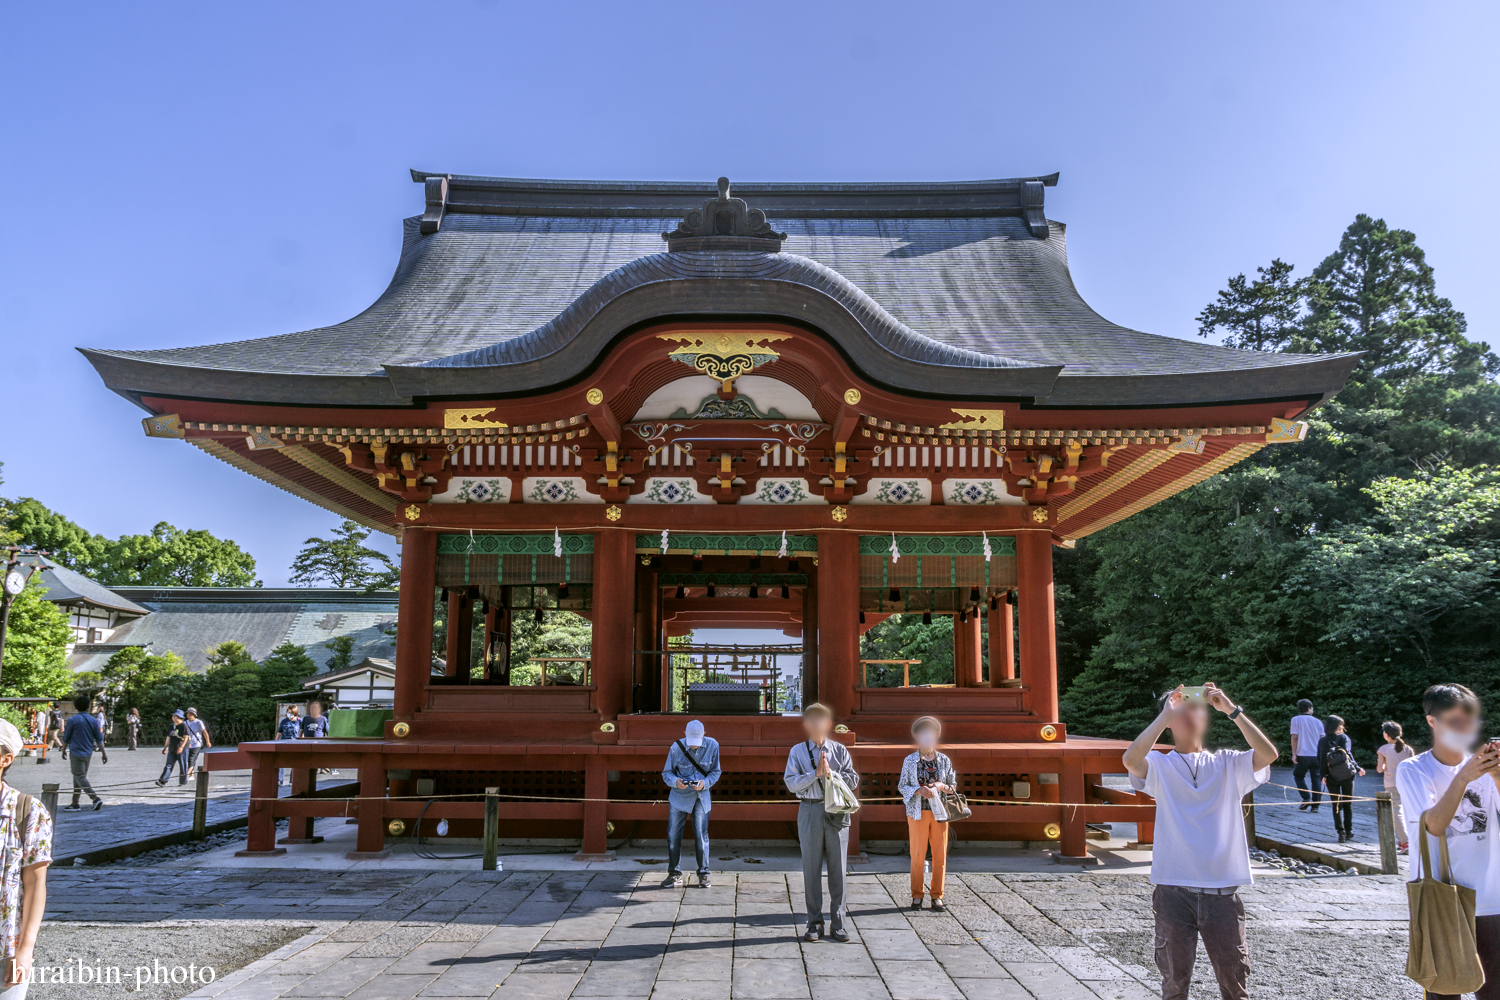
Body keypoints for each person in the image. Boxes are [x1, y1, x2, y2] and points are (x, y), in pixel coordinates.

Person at [1123, 682, 1276, 1000]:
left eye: (1197, 707)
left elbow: (1268, 754)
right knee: (1175, 986)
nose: (1189, 714)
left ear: (1207, 718)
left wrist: (1232, 710)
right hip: (1173, 890)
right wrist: (1163, 716)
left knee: (1235, 986)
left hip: (1222, 892)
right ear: (1169, 723)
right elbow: (1131, 760)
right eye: (1181, 709)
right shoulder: (1161, 765)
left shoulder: (1227, 763)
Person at [1396, 684, 1500, 1000]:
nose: (1465, 728)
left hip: (1492, 894)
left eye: (1469, 720)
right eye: (1454, 721)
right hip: (1441, 895)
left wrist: (1496, 778)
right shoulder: (1413, 769)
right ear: (1433, 722)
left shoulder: (1485, 769)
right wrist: (1464, 777)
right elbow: (1434, 826)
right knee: (1444, 993)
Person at [784, 703, 859, 943]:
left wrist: (831, 775)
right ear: (805, 724)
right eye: (812, 720)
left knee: (838, 870)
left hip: (836, 811)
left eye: (821, 720)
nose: (817, 724)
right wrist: (814, 774)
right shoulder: (797, 751)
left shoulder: (839, 750)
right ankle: (814, 922)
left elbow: (853, 779)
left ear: (828, 723)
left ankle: (839, 924)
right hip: (810, 809)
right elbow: (791, 783)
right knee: (811, 868)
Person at [0, 718, 52, 997]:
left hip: (4, 947)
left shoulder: (28, 811)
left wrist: (25, 950)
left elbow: (35, 884)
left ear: (5, 759)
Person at [898, 716, 957, 912]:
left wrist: (940, 786)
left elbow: (952, 786)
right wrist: (917, 790)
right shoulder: (910, 760)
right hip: (918, 812)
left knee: (940, 855)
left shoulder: (944, 760)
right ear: (916, 736)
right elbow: (902, 785)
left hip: (940, 812)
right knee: (917, 855)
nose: (927, 738)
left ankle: (937, 895)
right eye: (923, 734)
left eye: (931, 734)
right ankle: (917, 895)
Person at [660, 719, 721, 889]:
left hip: (701, 796)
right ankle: (674, 874)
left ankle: (703, 874)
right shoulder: (676, 747)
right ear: (685, 735)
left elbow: (716, 771)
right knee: (673, 836)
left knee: (702, 837)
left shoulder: (713, 745)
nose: (694, 746)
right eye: (691, 742)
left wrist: (705, 783)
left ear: (704, 735)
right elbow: (666, 773)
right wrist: (676, 781)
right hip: (678, 796)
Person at [1317, 714, 1365, 843]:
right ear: (1338, 726)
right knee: (1347, 804)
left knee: (1336, 805)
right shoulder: (1344, 738)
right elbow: (1348, 755)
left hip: (1331, 776)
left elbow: (1321, 759)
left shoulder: (1323, 740)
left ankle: (1340, 831)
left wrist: (1323, 775)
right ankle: (1349, 830)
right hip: (1347, 775)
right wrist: (1358, 768)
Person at [59, 695, 106, 812]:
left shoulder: (72, 720)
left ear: (75, 707)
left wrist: (63, 749)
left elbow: (67, 737)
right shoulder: (93, 720)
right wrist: (104, 753)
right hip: (88, 752)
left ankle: (95, 798)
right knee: (79, 777)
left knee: (79, 776)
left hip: (76, 752)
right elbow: (99, 738)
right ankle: (75, 803)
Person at [1375, 721, 1414, 855]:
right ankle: (1409, 840)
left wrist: (1386, 766)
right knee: (1408, 812)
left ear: (1386, 734)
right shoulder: (1408, 749)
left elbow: (1379, 769)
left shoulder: (1384, 749)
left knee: (1396, 813)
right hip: (1407, 784)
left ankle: (1405, 842)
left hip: (1392, 784)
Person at [1289, 699, 1325, 812]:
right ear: (1310, 709)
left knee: (1298, 776)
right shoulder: (1318, 721)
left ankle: (1306, 797)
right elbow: (1322, 739)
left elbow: (1294, 737)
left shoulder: (1295, 720)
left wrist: (1294, 754)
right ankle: (1315, 806)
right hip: (1316, 755)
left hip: (1302, 754)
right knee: (1316, 779)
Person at [300, 702, 336, 776]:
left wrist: (329, 741)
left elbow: (327, 731)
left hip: (319, 741)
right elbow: (301, 729)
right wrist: (299, 739)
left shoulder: (323, 719)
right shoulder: (306, 718)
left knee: (320, 755)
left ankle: (324, 767)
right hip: (307, 741)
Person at [156, 710, 190, 786]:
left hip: (182, 749)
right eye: (173, 716)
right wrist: (165, 747)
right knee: (169, 764)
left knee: (183, 765)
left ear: (180, 717)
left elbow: (186, 738)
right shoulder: (171, 726)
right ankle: (162, 781)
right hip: (172, 748)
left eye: (175, 716)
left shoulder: (183, 726)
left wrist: (181, 747)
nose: (173, 718)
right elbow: (168, 737)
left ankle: (183, 782)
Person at [276, 705, 301, 785]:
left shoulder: (300, 721)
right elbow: (279, 733)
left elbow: (302, 733)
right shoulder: (284, 721)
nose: (289, 714)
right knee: (282, 762)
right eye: (288, 712)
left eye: (291, 713)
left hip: (295, 744)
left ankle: (292, 780)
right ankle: (280, 780)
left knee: (294, 762)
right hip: (284, 743)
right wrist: (275, 742)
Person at [182, 708, 211, 778]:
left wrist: (208, 741)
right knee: (188, 760)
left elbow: (205, 733)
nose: (188, 715)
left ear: (194, 714)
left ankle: (186, 775)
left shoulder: (198, 722)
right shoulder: (185, 723)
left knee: (192, 759)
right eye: (188, 713)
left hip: (196, 744)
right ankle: (192, 774)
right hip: (188, 744)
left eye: (190, 713)